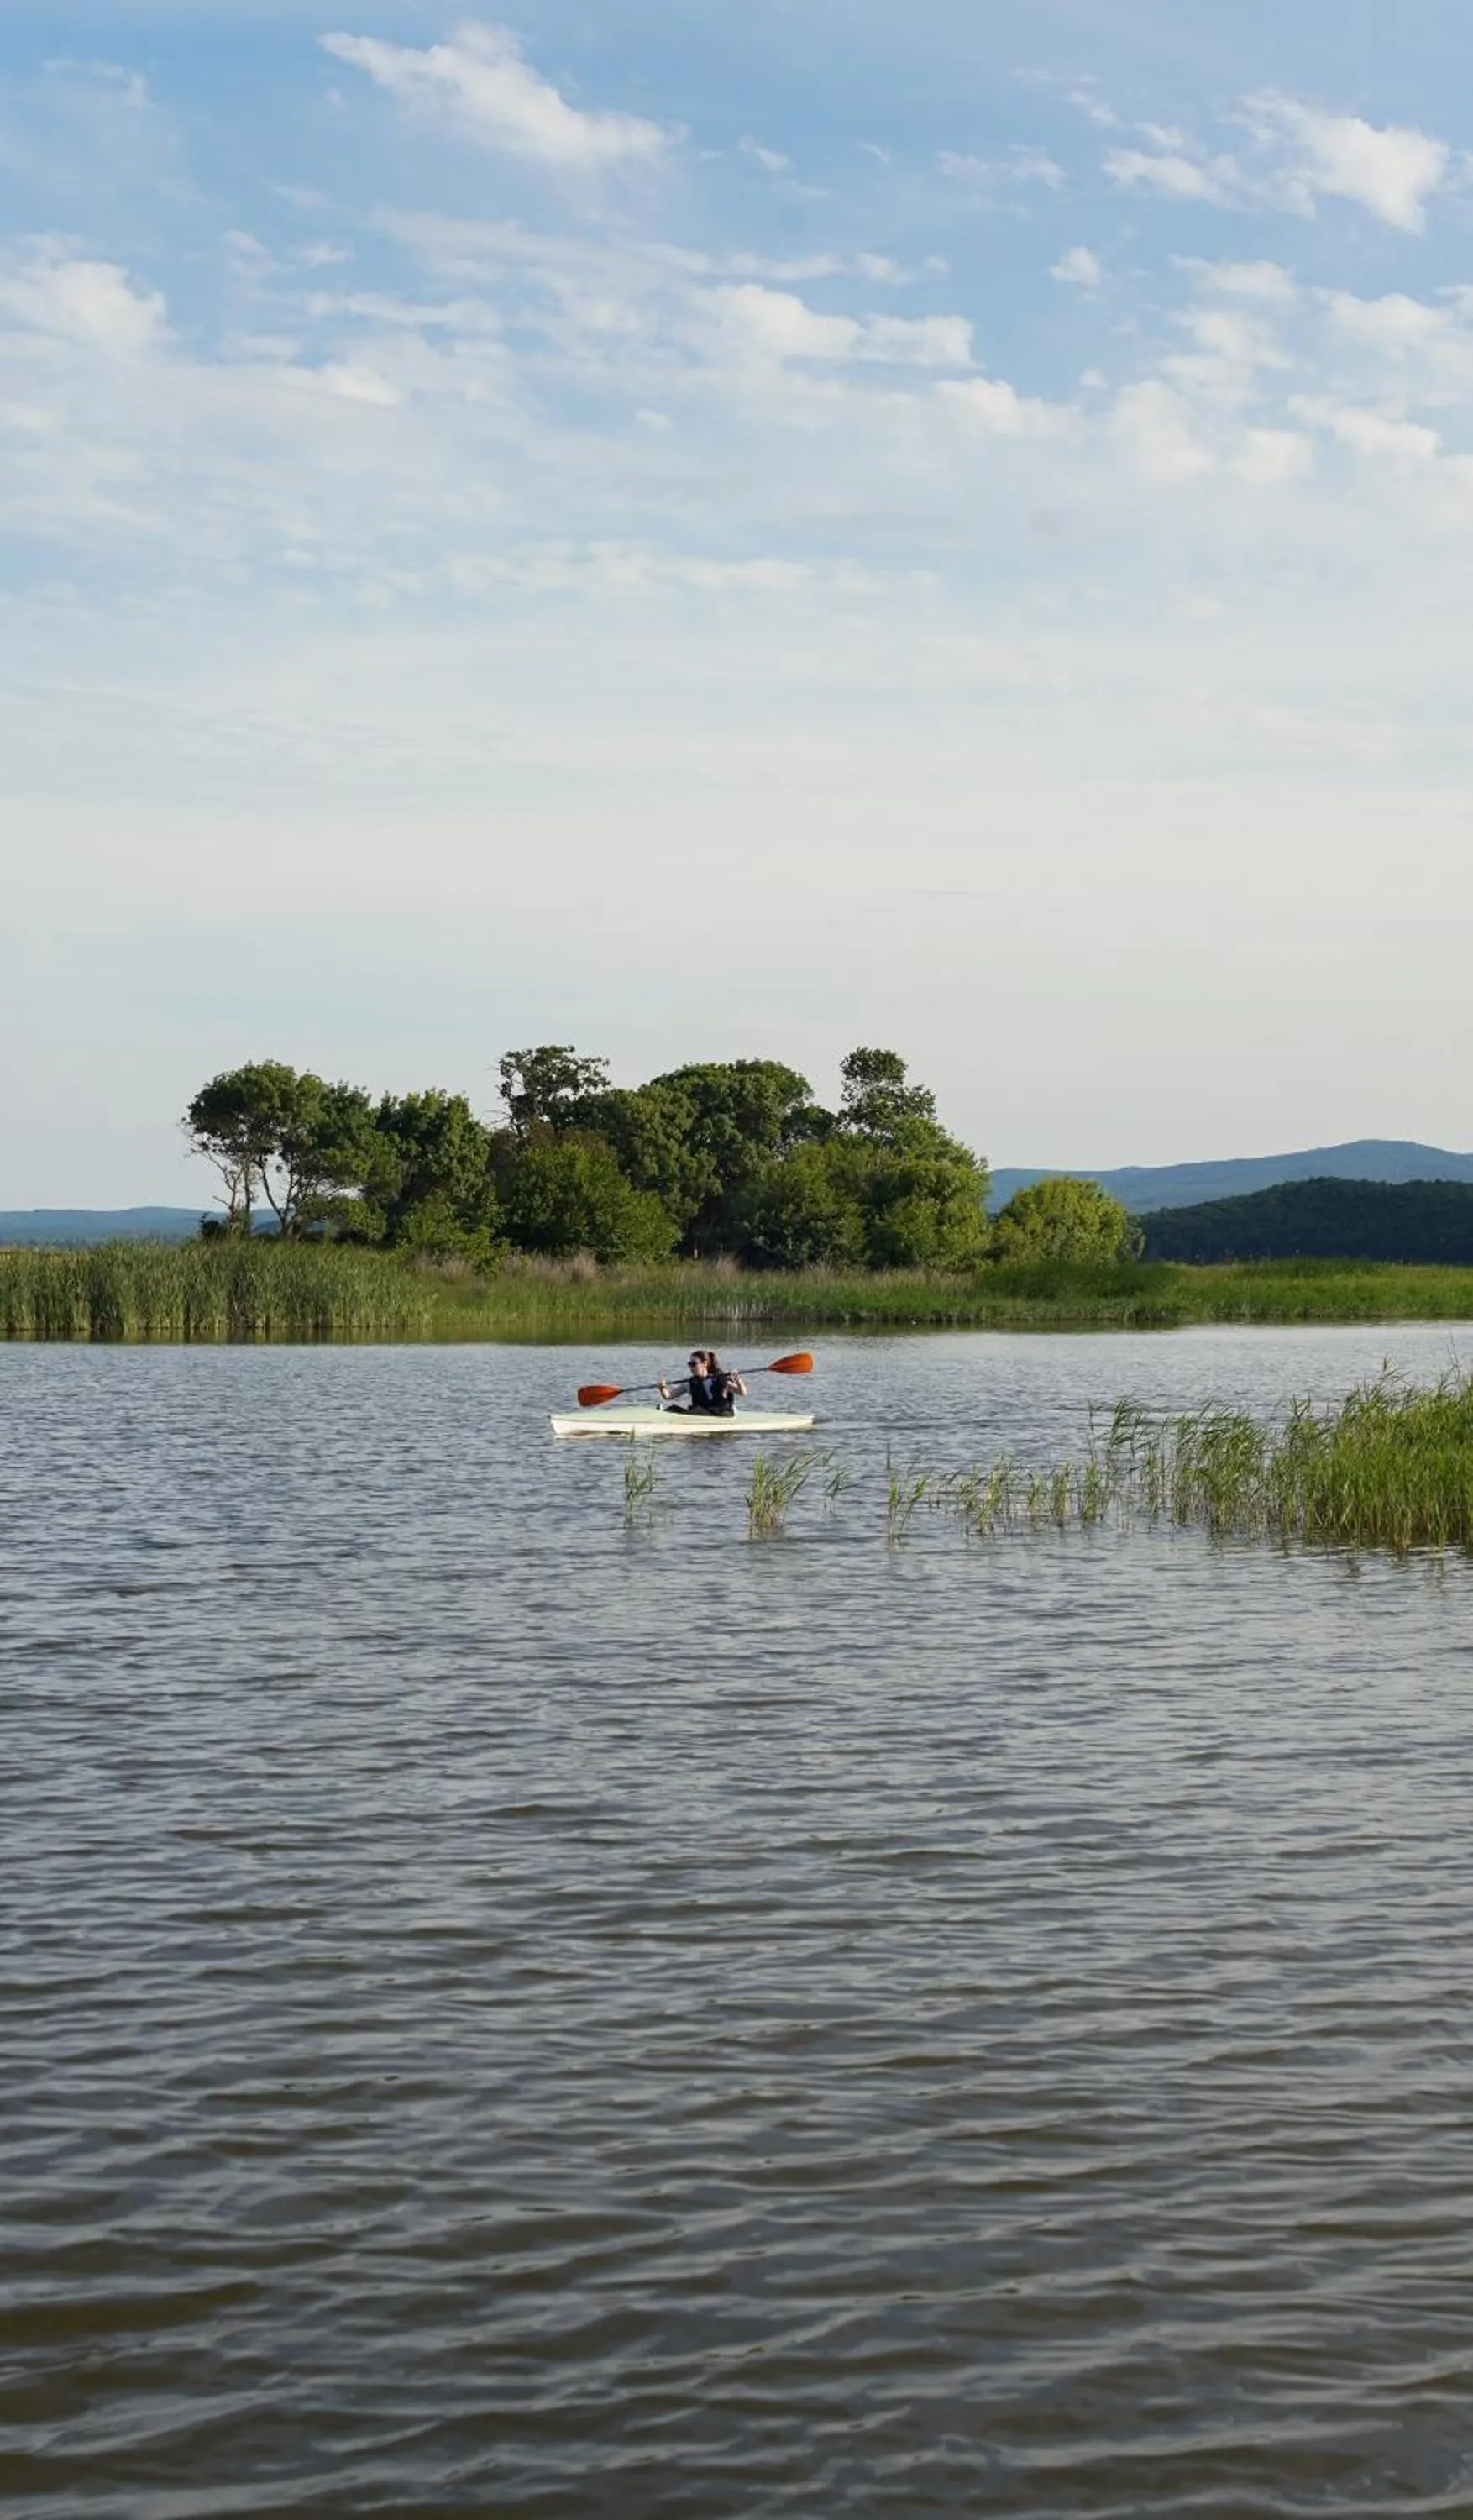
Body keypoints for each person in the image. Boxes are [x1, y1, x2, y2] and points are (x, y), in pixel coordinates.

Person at [658, 1349, 747, 1415]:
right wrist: (662, 1388)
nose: (691, 1367)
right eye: (690, 1364)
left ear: (704, 1364)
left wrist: (738, 1380)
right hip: (701, 1413)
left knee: (696, 1411)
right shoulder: (690, 1383)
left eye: (694, 1364)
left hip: (721, 1413)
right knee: (673, 1408)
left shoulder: (719, 1379)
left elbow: (742, 1392)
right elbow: (669, 1396)